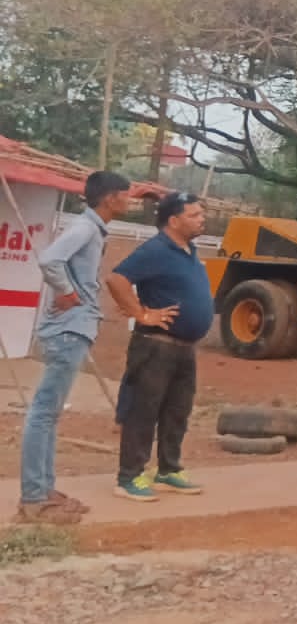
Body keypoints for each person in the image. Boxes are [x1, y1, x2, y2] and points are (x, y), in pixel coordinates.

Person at [17, 171, 132, 525]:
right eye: (126, 195)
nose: (129, 201)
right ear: (110, 198)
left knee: (49, 414)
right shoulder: (85, 228)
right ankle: (34, 498)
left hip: (72, 328)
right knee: (43, 413)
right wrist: (67, 292)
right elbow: (50, 259)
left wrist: (68, 291)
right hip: (69, 330)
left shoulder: (92, 229)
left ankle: (44, 490)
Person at [104, 192, 213, 502]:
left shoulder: (189, 250)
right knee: (143, 410)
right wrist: (141, 314)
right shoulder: (156, 249)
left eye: (201, 213)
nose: (201, 219)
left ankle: (168, 470)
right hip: (155, 346)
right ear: (173, 221)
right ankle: (129, 477)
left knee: (178, 411)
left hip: (184, 347)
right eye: (194, 215)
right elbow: (117, 279)